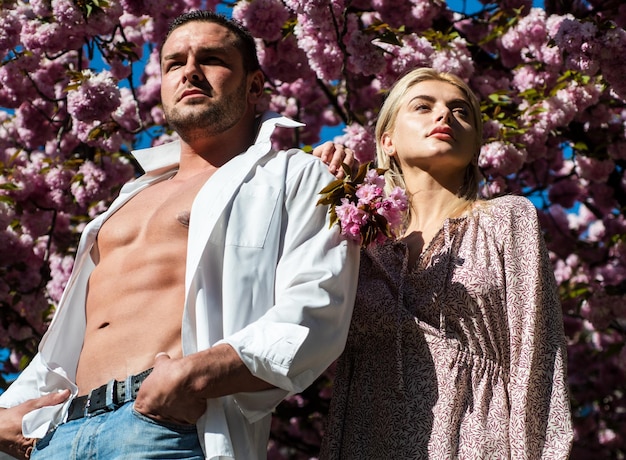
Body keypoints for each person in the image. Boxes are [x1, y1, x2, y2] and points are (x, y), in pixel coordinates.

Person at [0, 10, 360, 460]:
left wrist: (190, 377)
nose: (189, 71)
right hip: (57, 435)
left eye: (211, 58)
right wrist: (6, 414)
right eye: (173, 63)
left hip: (169, 427)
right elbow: (69, 339)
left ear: (254, 87)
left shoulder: (296, 174)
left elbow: (316, 307)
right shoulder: (124, 201)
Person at [318, 68, 573, 459]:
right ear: (388, 139)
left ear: (474, 147)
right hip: (366, 436)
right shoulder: (359, 235)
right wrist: (316, 182)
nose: (444, 117)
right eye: (423, 106)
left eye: (460, 112)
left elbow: (538, 357)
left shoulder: (506, 219)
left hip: (478, 439)